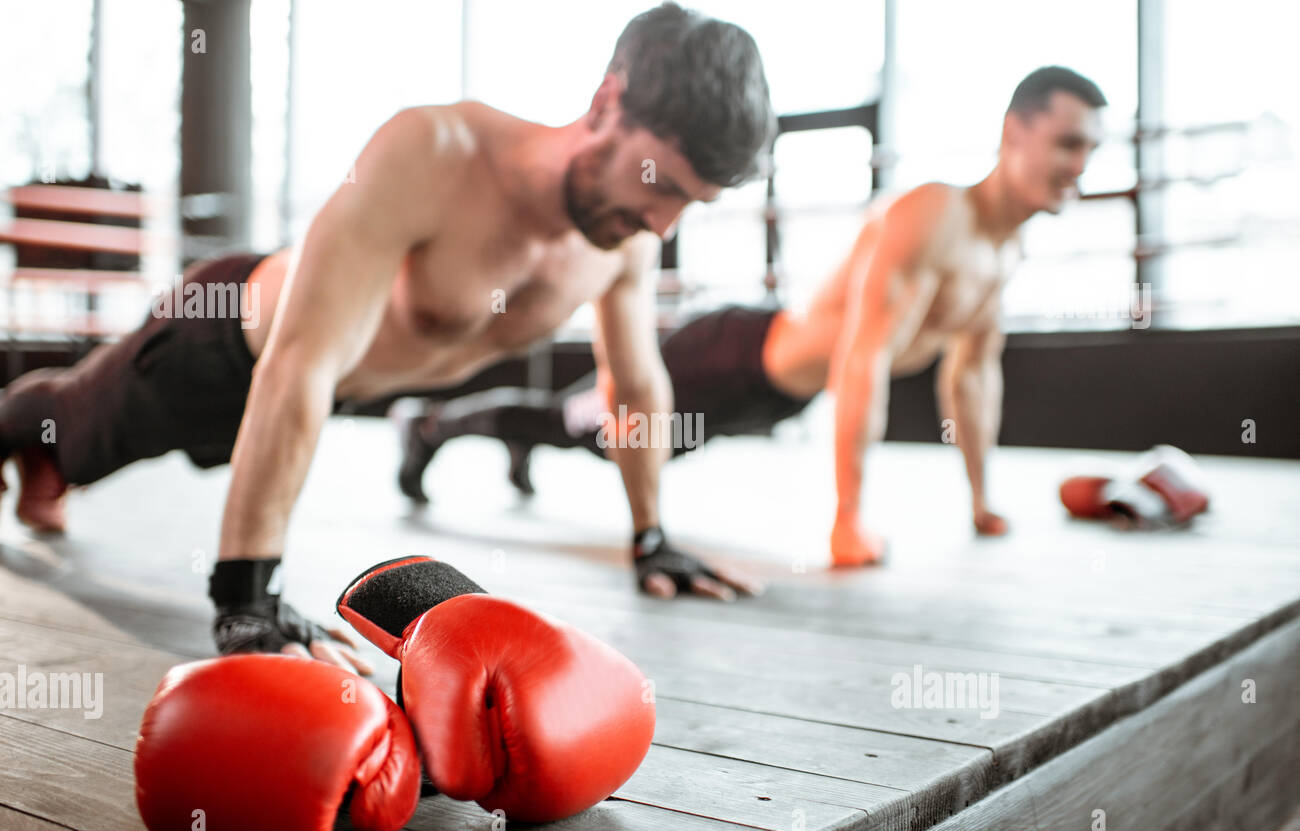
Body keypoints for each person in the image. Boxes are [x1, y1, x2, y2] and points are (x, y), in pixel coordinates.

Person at [0, 3, 776, 669]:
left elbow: (635, 384)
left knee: (69, 458)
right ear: (609, 101)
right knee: (68, 425)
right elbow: (301, 358)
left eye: (690, 206)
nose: (663, 222)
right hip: (222, 345)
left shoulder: (623, 241)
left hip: (311, 399)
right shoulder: (437, 152)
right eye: (664, 184)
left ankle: (48, 469)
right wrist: (247, 594)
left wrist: (652, 536)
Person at [397, 66, 1107, 567]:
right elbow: (861, 359)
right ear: (1016, 132)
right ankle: (429, 425)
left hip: (765, 396)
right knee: (588, 426)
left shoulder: (1003, 252)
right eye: (1069, 143)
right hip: (730, 356)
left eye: (1091, 148)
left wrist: (981, 502)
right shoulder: (934, 216)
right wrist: (848, 519)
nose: (1081, 164)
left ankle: (514, 437)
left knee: (584, 427)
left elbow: (971, 381)